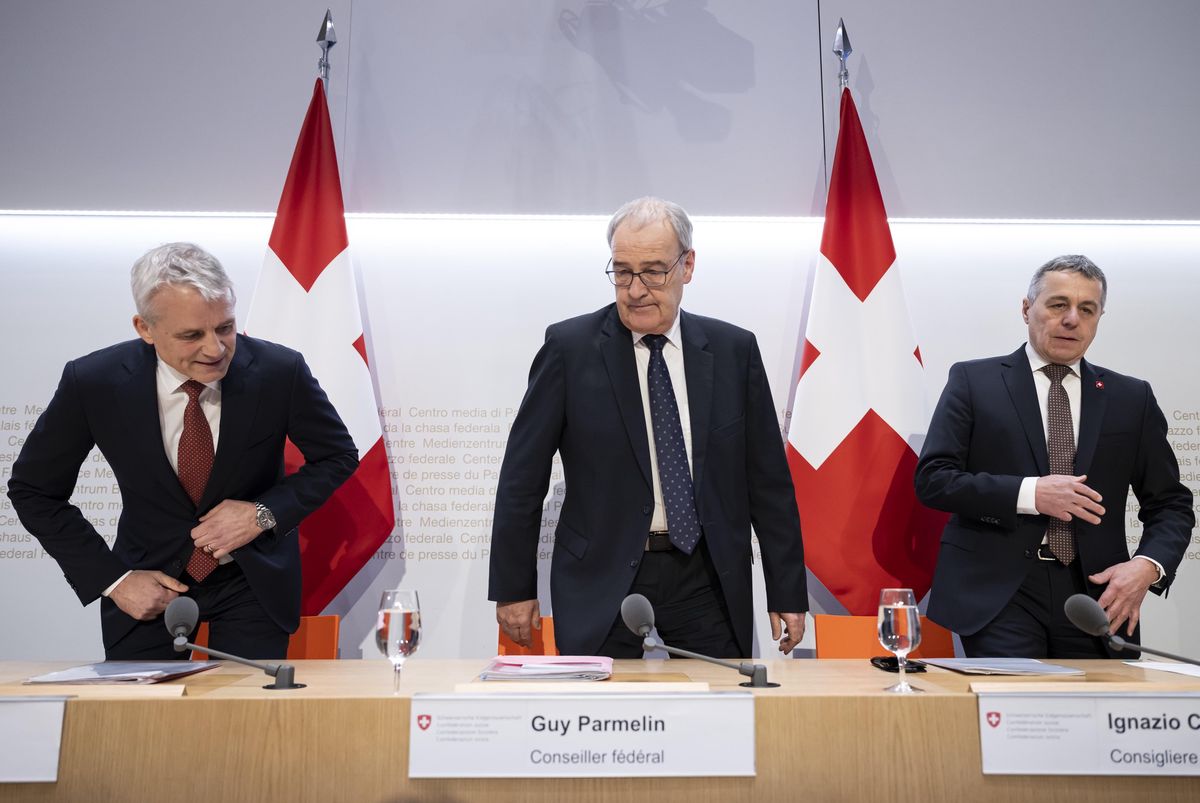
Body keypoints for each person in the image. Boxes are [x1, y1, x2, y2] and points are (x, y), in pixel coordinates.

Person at [489, 197, 808, 658]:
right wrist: (514, 586)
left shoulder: (733, 350)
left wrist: (786, 590)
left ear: (688, 266)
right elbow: (522, 478)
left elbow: (768, 483)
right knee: (601, 723)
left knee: (718, 718)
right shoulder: (569, 348)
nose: (635, 289)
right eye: (622, 271)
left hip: (707, 579)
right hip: (601, 578)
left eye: (653, 271)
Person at [8, 243, 359, 660]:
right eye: (192, 335)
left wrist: (261, 514)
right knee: (146, 724)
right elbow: (34, 490)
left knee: (244, 721)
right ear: (145, 328)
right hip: (147, 586)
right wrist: (116, 581)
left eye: (225, 328)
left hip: (252, 583)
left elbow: (337, 455)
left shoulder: (279, 372)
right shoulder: (93, 382)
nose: (215, 349)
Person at [914, 255, 1193, 657]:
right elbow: (934, 479)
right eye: (1058, 304)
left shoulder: (1132, 398)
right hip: (1001, 590)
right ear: (1027, 309)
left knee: (1097, 715)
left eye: (1087, 309)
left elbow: (1171, 503)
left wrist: (1147, 566)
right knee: (1018, 713)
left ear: (1099, 318)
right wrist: (1030, 494)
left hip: (1098, 595)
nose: (1071, 319)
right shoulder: (975, 382)